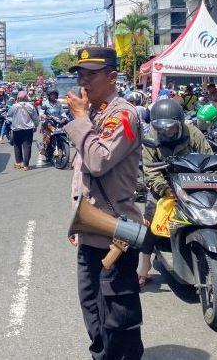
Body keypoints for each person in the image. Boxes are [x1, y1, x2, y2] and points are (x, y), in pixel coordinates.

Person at [65, 46, 144, 360]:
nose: (83, 81)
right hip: (90, 227)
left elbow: (98, 161)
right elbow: (80, 172)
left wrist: (81, 120)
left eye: (91, 74)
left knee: (117, 307)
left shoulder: (122, 115)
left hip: (118, 231)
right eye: (80, 74)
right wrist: (76, 218)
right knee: (91, 303)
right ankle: (104, 354)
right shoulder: (94, 114)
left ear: (112, 77)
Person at [137, 99, 217, 293]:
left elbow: (208, 156)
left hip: (195, 183)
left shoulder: (192, 132)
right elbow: (150, 172)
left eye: (170, 128)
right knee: (152, 220)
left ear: (179, 123)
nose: (166, 132)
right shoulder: (151, 138)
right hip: (165, 186)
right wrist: (164, 189)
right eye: (160, 128)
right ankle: (144, 269)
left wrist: (213, 179)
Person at [8, 91, 39, 170]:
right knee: (27, 146)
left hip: (16, 129)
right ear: (26, 98)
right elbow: (35, 118)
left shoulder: (14, 106)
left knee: (17, 146)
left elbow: (9, 115)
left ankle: (18, 162)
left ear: (18, 98)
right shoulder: (31, 106)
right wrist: (36, 126)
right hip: (28, 129)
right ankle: (26, 165)